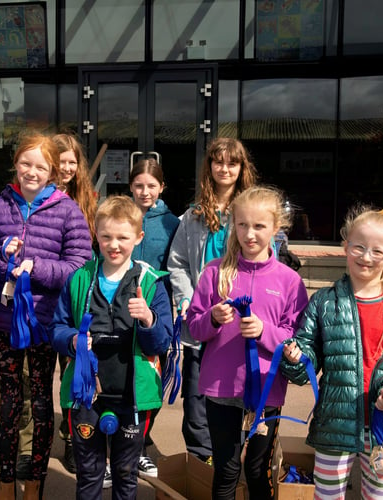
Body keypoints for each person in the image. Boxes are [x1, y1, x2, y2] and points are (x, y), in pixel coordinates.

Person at [281, 206, 383, 500]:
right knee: (326, 495)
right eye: (359, 247)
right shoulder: (324, 302)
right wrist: (297, 358)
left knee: (378, 497)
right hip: (335, 423)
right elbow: (307, 359)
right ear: (345, 246)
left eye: (377, 251)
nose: (366, 257)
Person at [0, 131, 92, 499]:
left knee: (43, 403)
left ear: (53, 171)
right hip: (3, 320)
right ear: (15, 163)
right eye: (26, 163)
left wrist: (38, 267)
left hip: (46, 321)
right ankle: (5, 482)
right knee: (11, 402)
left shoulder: (67, 210)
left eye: (40, 166)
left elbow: (79, 265)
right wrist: (2, 257)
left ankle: (35, 485)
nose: (32, 171)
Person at [186, 186, 309, 499]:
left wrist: (265, 331)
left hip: (266, 391)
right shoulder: (214, 272)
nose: (249, 234)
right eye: (242, 225)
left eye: (259, 226)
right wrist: (212, 317)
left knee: (258, 470)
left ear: (275, 228)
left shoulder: (289, 280)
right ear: (233, 224)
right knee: (226, 470)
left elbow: (296, 336)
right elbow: (194, 329)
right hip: (221, 389)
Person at [50, 195, 173, 499]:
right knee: (89, 474)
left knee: (125, 473)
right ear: (96, 234)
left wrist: (148, 319)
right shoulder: (79, 279)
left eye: (122, 237)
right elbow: (57, 328)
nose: (113, 245)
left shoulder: (151, 283)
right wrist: (73, 340)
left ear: (138, 238)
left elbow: (162, 342)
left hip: (132, 398)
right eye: (106, 237)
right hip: (85, 396)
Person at [166, 137, 258, 464]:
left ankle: (231, 461)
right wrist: (190, 301)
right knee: (196, 399)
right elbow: (176, 263)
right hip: (201, 320)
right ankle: (201, 462)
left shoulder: (251, 213)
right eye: (218, 162)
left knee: (235, 396)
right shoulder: (192, 216)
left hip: (237, 324)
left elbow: (265, 261)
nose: (225, 168)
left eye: (232, 163)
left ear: (241, 168)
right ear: (209, 167)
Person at [18, 132, 99, 477]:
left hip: (74, 303)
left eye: (71, 162)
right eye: (60, 161)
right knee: (28, 382)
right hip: (35, 303)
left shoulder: (88, 201)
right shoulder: (31, 198)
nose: (66, 167)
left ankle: (72, 439)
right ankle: (27, 446)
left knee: (73, 377)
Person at [128, 157, 180, 477]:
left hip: (157, 311)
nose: (144, 192)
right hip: (121, 310)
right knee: (121, 380)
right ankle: (123, 442)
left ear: (161, 187)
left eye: (151, 186)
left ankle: (141, 441)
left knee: (154, 383)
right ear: (130, 186)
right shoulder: (122, 215)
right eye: (138, 185)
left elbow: (176, 268)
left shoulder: (171, 223)